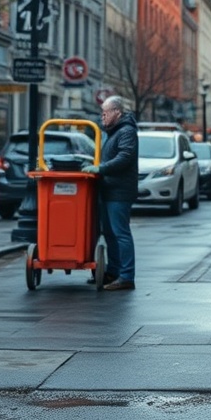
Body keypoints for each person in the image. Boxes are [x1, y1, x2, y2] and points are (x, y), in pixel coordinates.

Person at [82, 95, 138, 290]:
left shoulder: (126, 131)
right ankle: (113, 272)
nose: (102, 117)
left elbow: (124, 157)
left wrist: (101, 168)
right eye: (102, 113)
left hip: (120, 191)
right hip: (109, 189)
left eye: (105, 113)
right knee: (110, 233)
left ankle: (126, 276)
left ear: (117, 112)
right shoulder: (113, 131)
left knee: (120, 233)